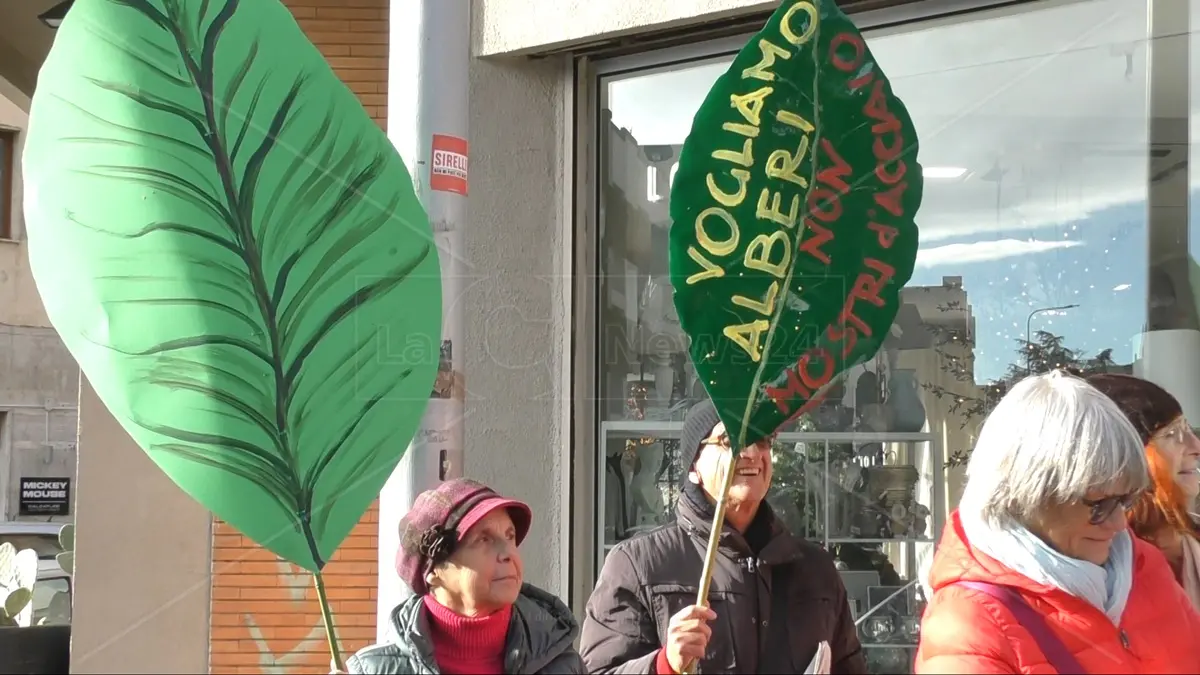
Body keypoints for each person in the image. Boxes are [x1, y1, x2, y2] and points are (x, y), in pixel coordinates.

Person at [914, 371, 1200, 674]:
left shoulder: (1143, 565)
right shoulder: (968, 624)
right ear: (1028, 495)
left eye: (1127, 500)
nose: (1119, 524)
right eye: (1099, 505)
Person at [579, 398, 867, 674]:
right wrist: (664, 665)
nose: (752, 452)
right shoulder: (638, 565)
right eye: (730, 441)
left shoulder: (815, 569)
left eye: (762, 440)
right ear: (693, 467)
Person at [345, 478, 584, 674]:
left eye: (510, 536)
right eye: (484, 539)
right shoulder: (373, 670)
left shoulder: (560, 663)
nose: (508, 553)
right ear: (434, 572)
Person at [1088, 372, 1200, 606]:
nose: (1195, 446)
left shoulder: (1189, 539)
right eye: (1171, 434)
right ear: (1125, 459)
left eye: (1188, 429)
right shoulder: (1098, 568)